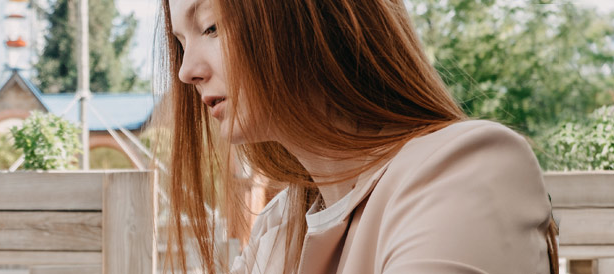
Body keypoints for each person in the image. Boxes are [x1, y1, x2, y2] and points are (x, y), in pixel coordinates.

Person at [157, 0, 560, 273]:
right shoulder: (277, 227)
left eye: (211, 27)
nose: (186, 70)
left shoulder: (468, 169)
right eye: (180, 42)